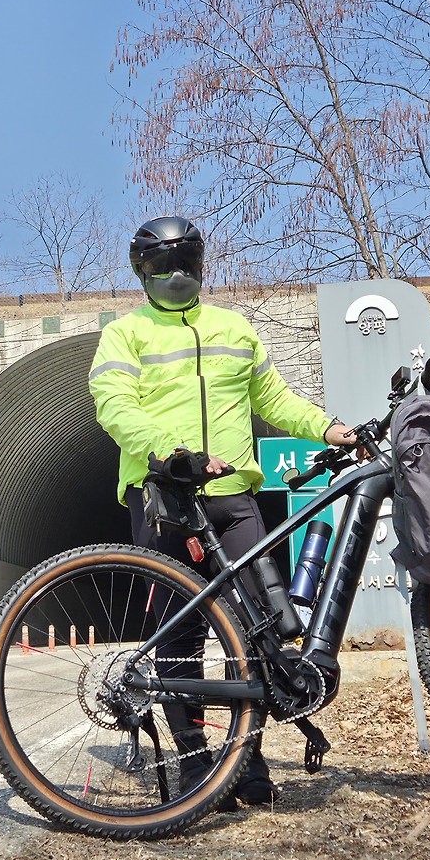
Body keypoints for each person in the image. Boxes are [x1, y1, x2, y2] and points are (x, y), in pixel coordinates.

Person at [88, 215, 356, 807]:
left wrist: (329, 428)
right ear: (142, 270)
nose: (176, 273)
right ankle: (192, 761)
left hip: (233, 499)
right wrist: (165, 452)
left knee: (255, 628)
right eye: (163, 265)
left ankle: (248, 759)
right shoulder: (125, 334)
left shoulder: (233, 328)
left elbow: (275, 400)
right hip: (163, 498)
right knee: (180, 633)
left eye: (186, 262)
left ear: (201, 265)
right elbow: (112, 403)